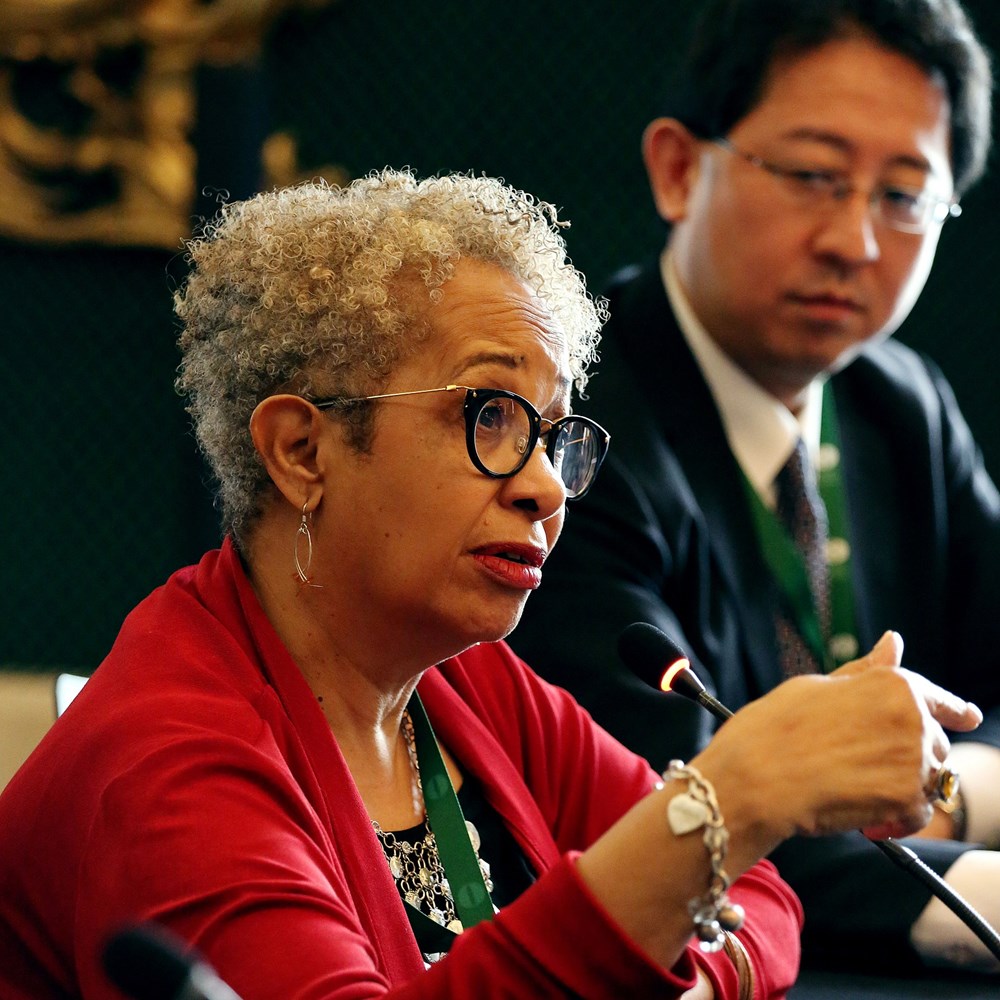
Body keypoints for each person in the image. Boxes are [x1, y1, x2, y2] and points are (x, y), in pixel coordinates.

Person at [0, 169, 980, 1000]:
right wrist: (731, 793)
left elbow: (763, 897)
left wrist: (707, 874)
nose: (547, 483)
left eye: (555, 433)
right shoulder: (167, 763)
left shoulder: (467, 683)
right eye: (488, 415)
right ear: (302, 450)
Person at [511, 0, 1000, 978]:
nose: (855, 241)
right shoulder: (570, 419)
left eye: (904, 195)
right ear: (678, 168)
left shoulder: (900, 402)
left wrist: (920, 781)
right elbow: (671, 805)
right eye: (815, 177)